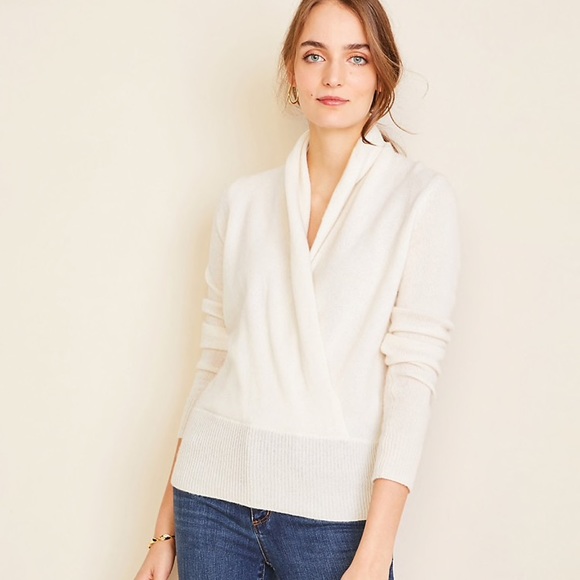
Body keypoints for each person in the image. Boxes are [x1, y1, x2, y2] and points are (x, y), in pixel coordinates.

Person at [135, 0, 460, 578]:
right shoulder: (243, 203)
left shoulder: (419, 200)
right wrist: (164, 532)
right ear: (292, 70)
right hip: (211, 504)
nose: (333, 77)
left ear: (382, 73)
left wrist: (376, 553)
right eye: (315, 56)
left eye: (356, 58)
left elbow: (412, 380)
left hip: (334, 519)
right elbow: (213, 364)